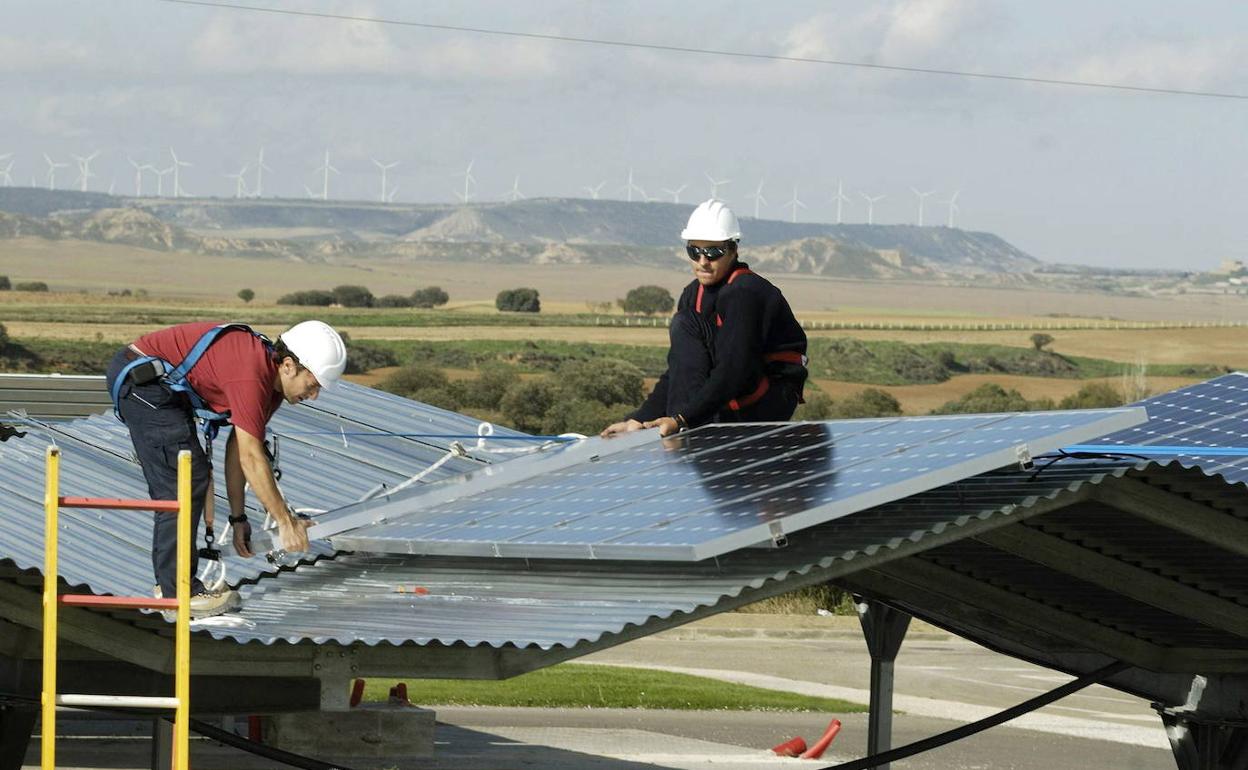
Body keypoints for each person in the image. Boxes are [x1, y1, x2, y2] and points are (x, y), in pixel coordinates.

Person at [105, 320, 347, 617]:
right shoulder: (252, 375)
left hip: (161, 387)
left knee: (194, 474)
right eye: (312, 385)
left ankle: (174, 585)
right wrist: (286, 522)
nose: (313, 396)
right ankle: (175, 592)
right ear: (288, 365)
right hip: (141, 382)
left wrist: (238, 518)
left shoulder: (269, 387)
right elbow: (250, 457)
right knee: (184, 478)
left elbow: (239, 448)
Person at [602, 199, 807, 438]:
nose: (703, 262)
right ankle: (683, 439)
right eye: (694, 251)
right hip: (733, 391)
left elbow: (735, 368)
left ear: (733, 250)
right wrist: (638, 419)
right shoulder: (693, 294)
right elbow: (682, 369)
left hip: (771, 394)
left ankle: (682, 440)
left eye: (713, 252)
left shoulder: (744, 292)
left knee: (685, 322)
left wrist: (682, 419)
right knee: (685, 324)